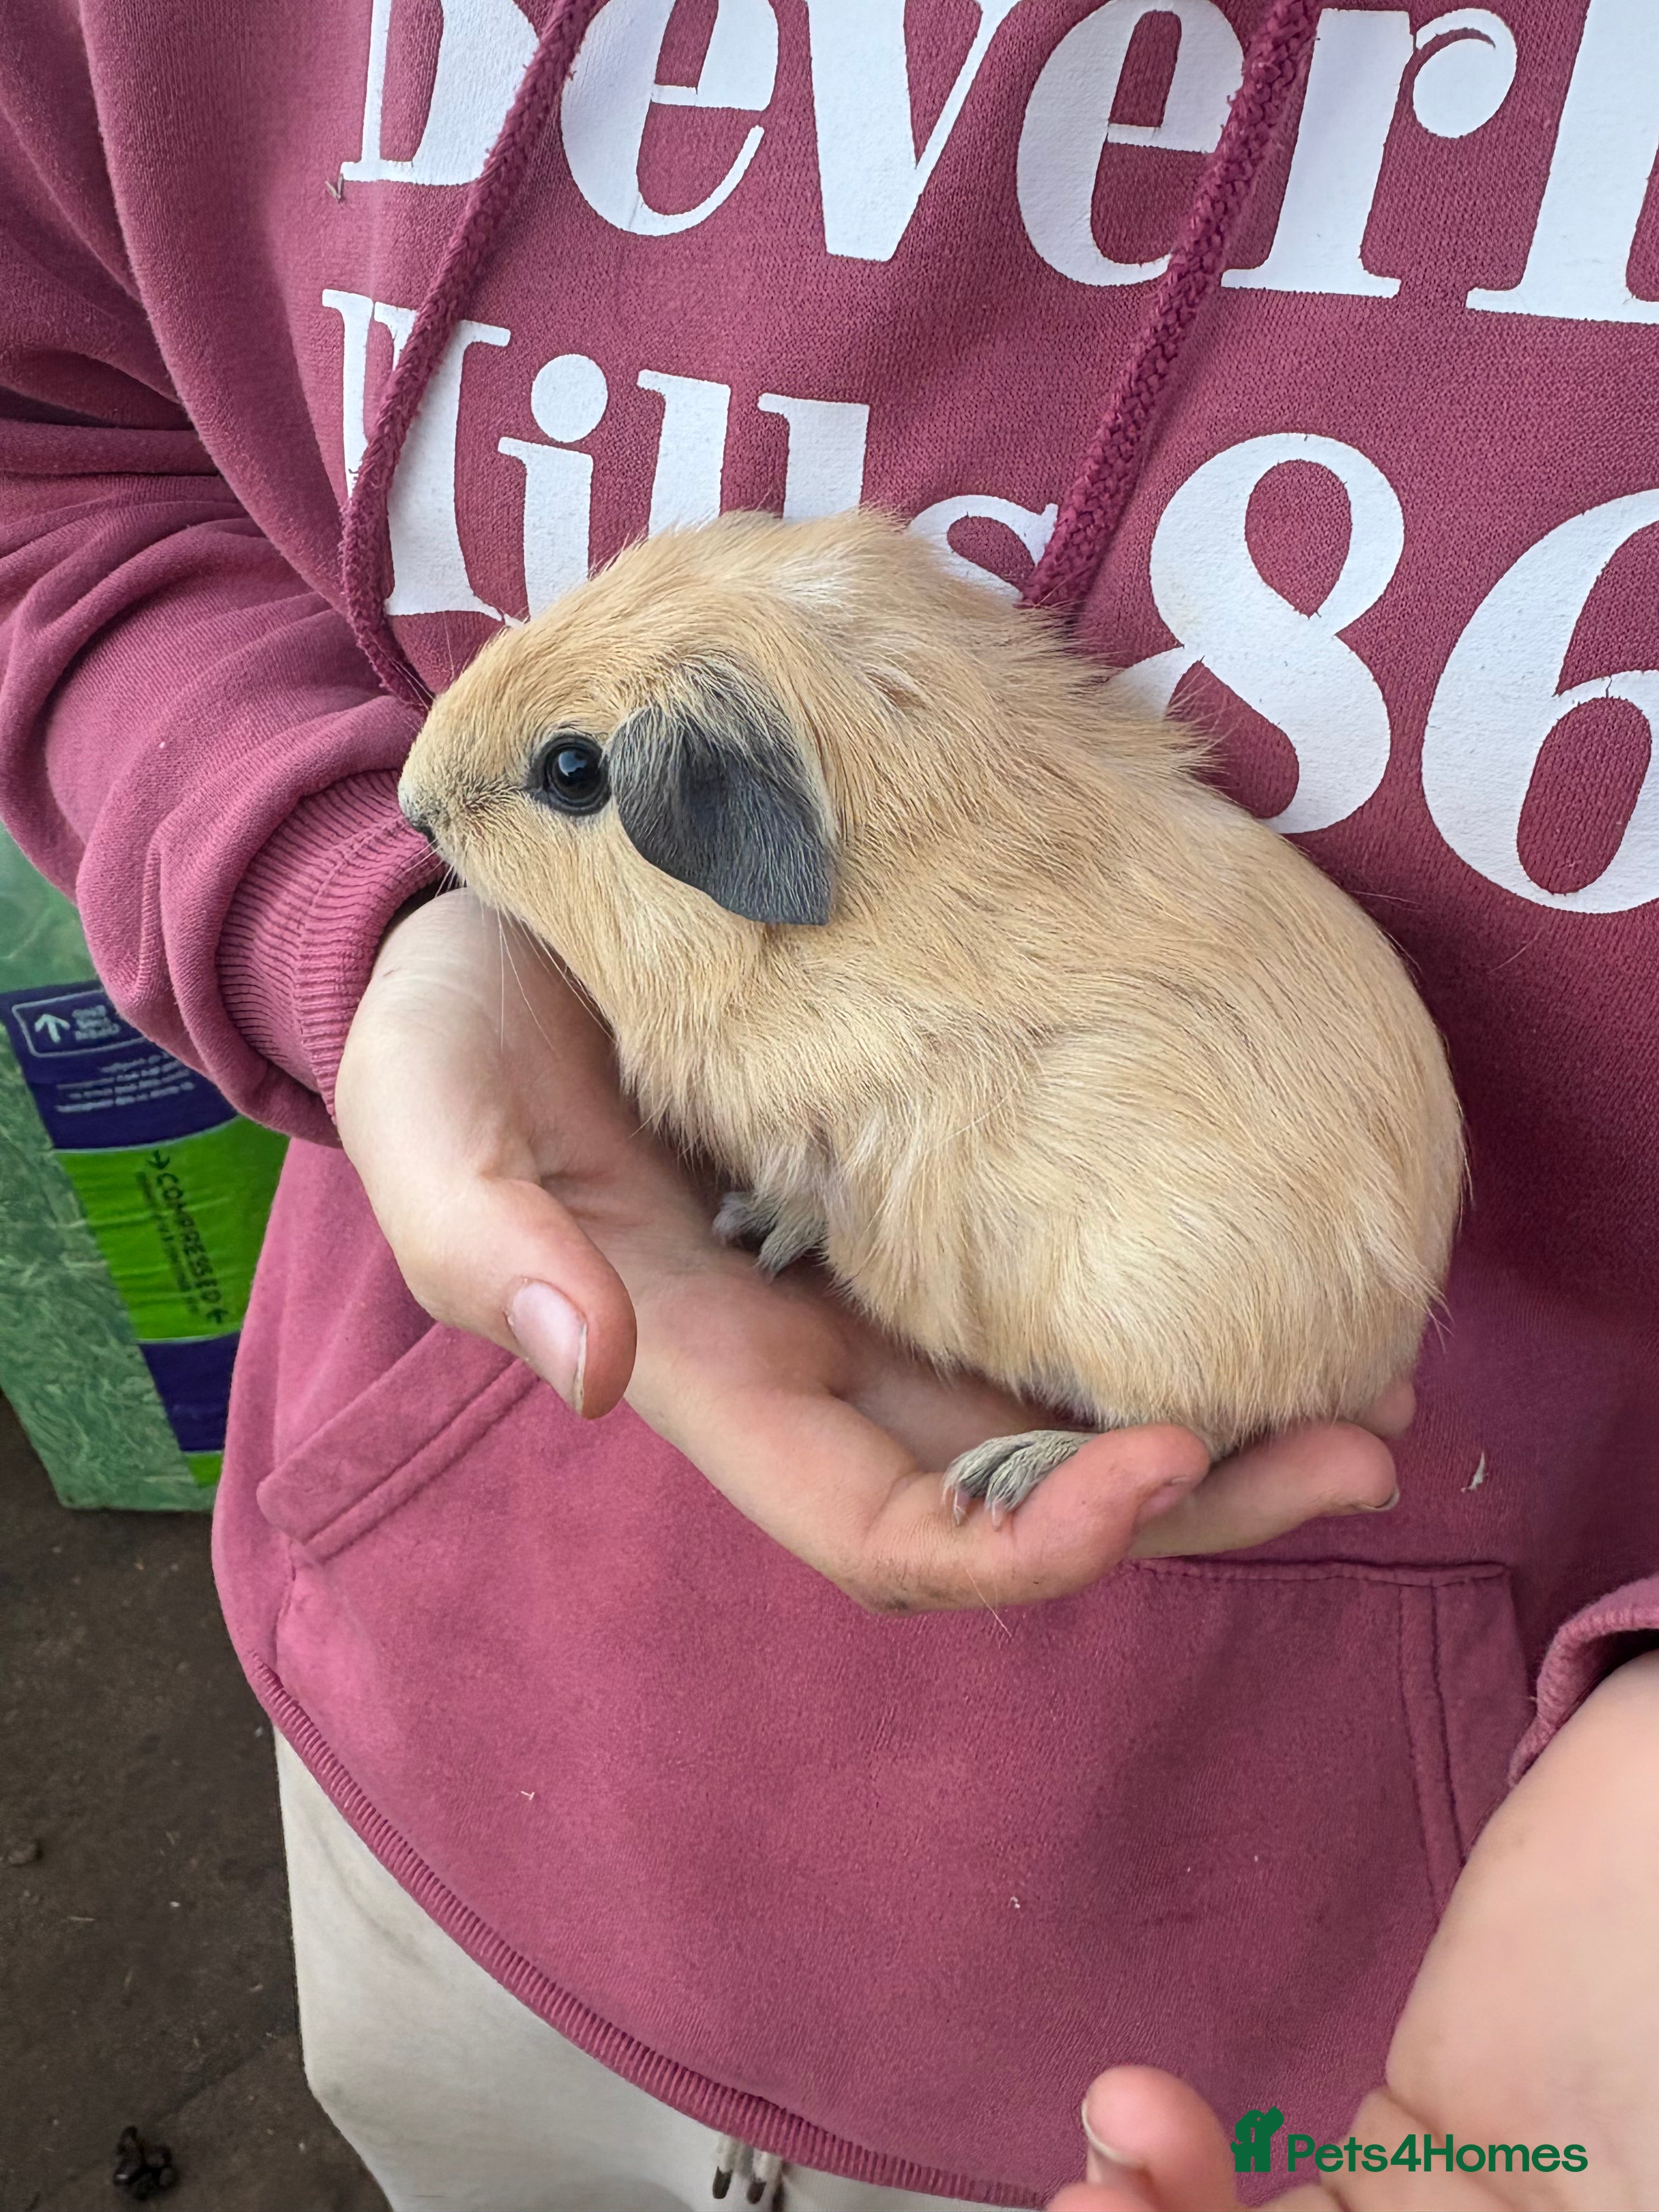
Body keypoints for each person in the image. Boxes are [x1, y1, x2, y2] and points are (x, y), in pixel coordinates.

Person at [1, 0, 1655, 2205]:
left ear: (747, 840)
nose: (454, 806)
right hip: (444, 1754)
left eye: (564, 785)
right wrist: (353, 900)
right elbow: (52, 444)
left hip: (1314, 1976)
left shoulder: (831, 997)